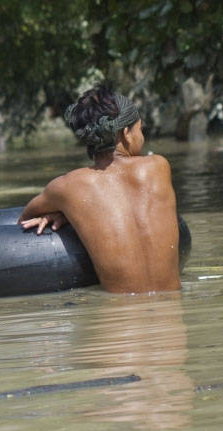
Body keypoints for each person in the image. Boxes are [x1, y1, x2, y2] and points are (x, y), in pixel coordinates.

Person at [17, 86, 181, 293]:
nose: (142, 136)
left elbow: (23, 220)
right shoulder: (158, 167)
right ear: (126, 134)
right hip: (171, 321)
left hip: (117, 321)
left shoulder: (67, 187)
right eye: (140, 129)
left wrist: (64, 213)